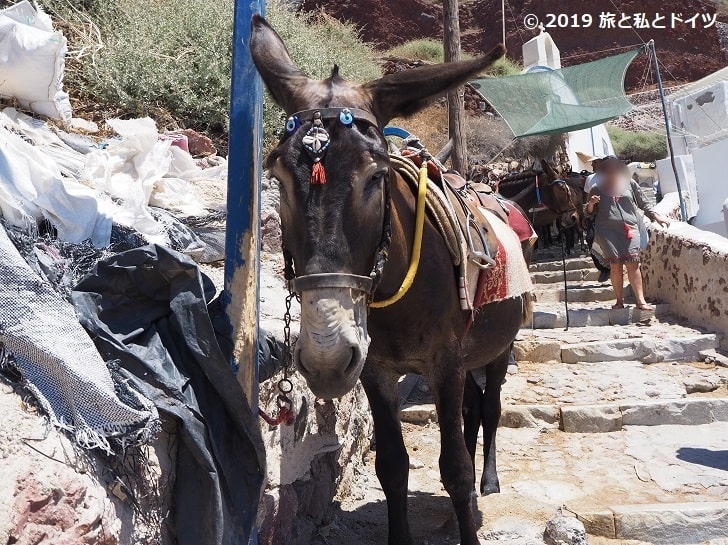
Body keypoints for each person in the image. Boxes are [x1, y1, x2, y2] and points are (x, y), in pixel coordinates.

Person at [585, 157, 670, 310]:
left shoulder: (630, 184)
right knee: (616, 265)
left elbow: (643, 202)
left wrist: (656, 216)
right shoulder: (597, 188)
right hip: (607, 231)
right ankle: (619, 301)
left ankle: (640, 301)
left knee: (633, 264)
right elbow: (588, 213)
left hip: (630, 229)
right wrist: (591, 204)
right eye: (608, 169)